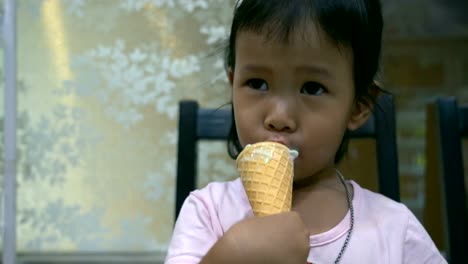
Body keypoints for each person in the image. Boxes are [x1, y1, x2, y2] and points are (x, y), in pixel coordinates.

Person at [165, 0, 446, 263]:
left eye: (312, 88)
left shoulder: (395, 230)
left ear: (358, 106)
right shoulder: (208, 213)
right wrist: (231, 254)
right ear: (232, 82)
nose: (279, 117)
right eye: (257, 83)